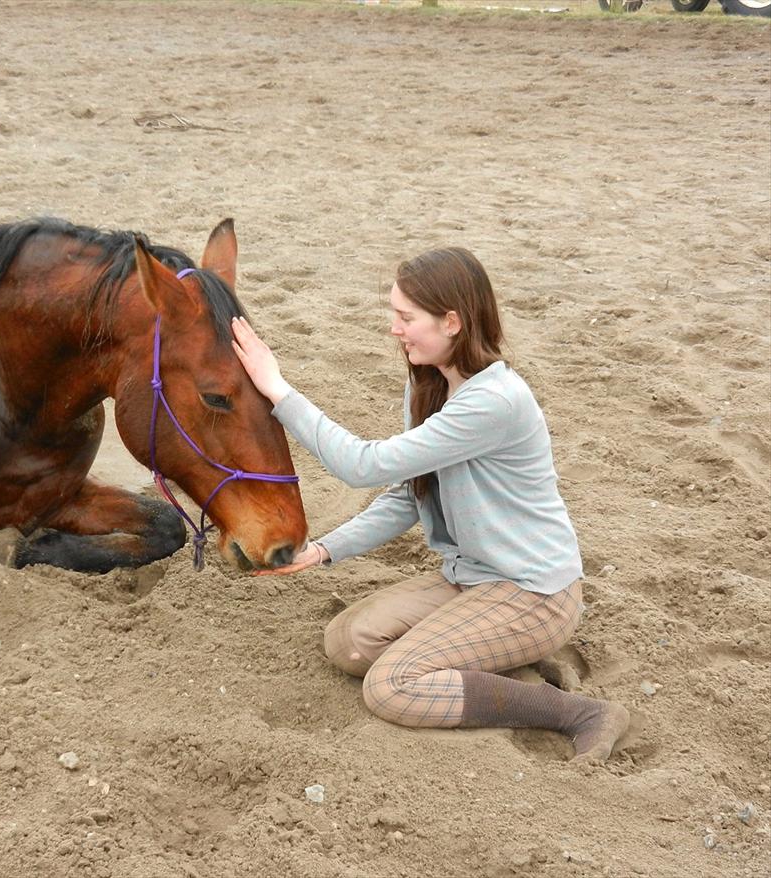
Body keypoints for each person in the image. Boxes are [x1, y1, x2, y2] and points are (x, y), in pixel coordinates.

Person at [230, 246, 630, 762]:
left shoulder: (494, 400)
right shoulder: (428, 385)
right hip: (470, 579)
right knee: (349, 642)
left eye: (405, 317)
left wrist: (278, 390)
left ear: (453, 322)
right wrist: (324, 551)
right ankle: (491, 662)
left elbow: (362, 466)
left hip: (533, 591)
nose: (395, 329)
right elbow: (407, 497)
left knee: (390, 688)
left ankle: (579, 712)